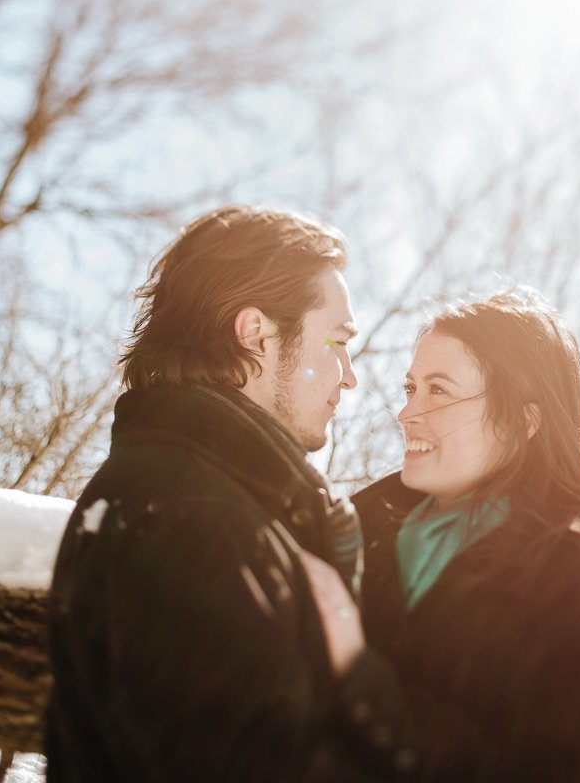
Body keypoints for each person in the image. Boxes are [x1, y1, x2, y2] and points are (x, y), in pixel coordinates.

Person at [46, 206, 416, 782]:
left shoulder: (188, 496)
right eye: (336, 341)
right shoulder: (194, 524)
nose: (349, 375)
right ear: (255, 335)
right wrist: (365, 686)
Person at [348, 291, 580, 782]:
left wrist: (354, 671)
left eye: (439, 390)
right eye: (411, 388)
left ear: (523, 421)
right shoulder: (350, 533)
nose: (407, 413)